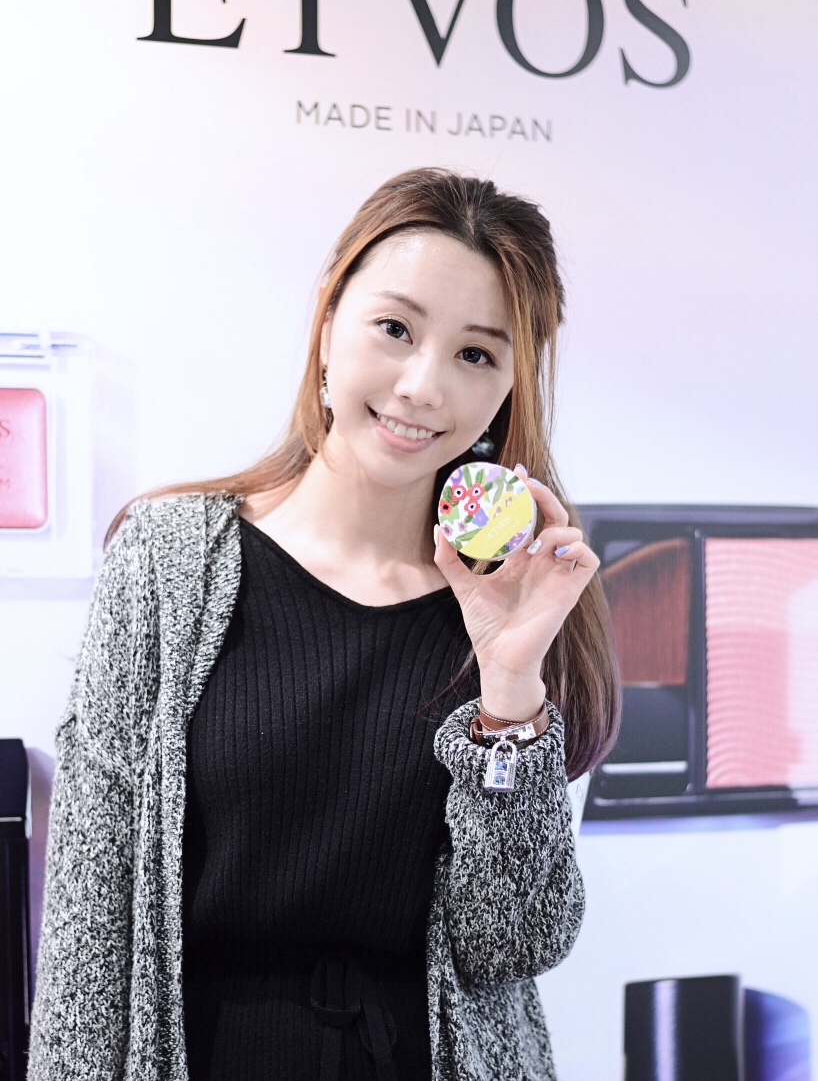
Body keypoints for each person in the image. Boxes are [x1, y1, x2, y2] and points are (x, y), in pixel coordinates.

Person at [26, 167, 620, 1081]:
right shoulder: (167, 559)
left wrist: (509, 693)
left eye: (475, 355)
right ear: (329, 318)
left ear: (509, 386)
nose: (422, 386)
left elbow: (512, 941)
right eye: (396, 328)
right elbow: (88, 917)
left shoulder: (513, 599)